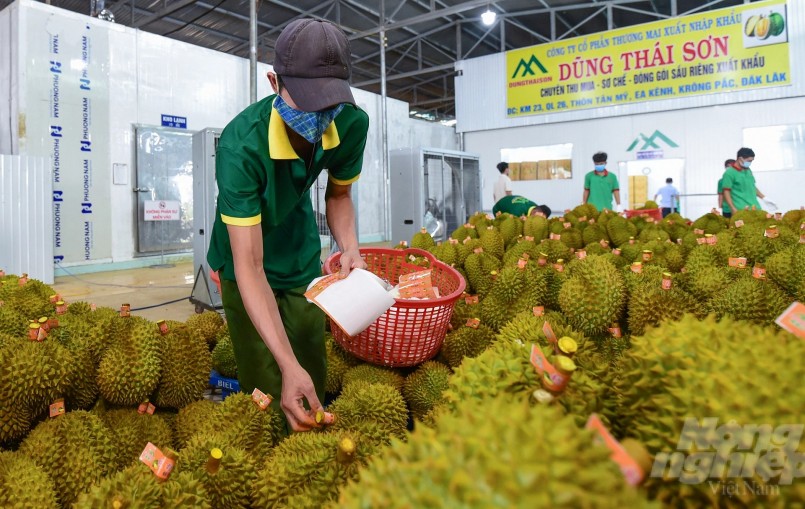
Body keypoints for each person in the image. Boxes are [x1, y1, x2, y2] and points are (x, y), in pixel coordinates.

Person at [206, 19, 369, 433]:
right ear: (274, 81)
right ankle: (275, 453)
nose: (319, 116)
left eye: (328, 102)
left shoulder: (350, 123)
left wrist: (349, 244)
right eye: (308, 100)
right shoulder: (240, 145)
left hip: (297, 246)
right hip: (243, 253)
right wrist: (285, 365)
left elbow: (338, 196)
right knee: (265, 370)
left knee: (310, 356)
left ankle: (314, 437)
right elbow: (250, 266)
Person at [721, 147, 776, 216]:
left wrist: (764, 198)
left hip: (755, 208)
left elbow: (752, 186)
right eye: (749, 161)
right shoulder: (729, 173)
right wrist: (732, 208)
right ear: (740, 159)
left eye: (751, 161)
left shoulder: (748, 170)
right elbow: (726, 192)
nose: (750, 163)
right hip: (741, 210)